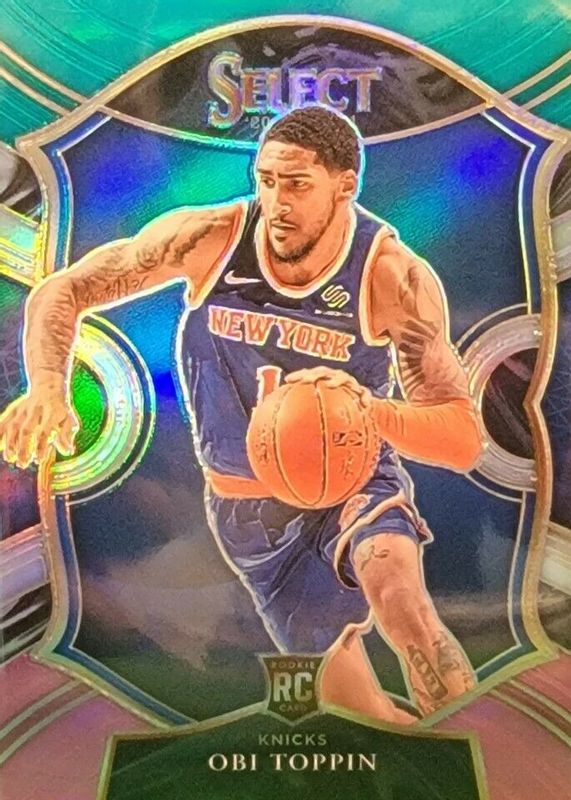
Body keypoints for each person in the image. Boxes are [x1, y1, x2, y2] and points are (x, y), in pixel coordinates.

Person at [0, 106, 483, 725]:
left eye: (297, 184)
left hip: (357, 486)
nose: (278, 202)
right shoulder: (210, 238)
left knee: (403, 601)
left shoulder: (393, 278)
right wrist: (47, 385)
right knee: (357, 713)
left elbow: (462, 438)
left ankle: (477, 745)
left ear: (346, 185)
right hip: (248, 512)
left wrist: (371, 413)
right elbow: (64, 289)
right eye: (267, 181)